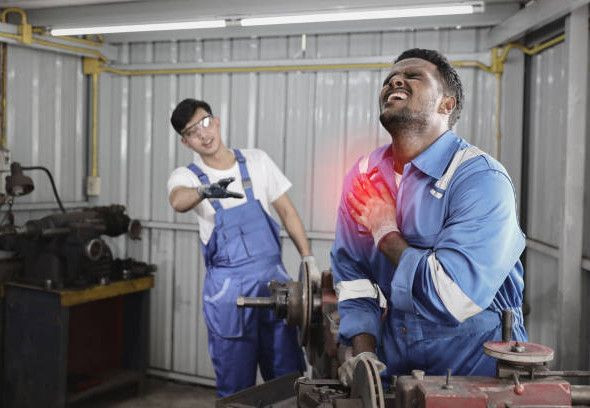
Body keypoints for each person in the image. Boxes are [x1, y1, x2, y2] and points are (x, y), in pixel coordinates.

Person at [331, 48, 528, 385]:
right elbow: (353, 277)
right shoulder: (364, 176)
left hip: (477, 366)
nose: (395, 80)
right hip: (398, 364)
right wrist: (364, 351)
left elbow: (452, 295)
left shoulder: (480, 179)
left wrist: (385, 232)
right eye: (390, 78)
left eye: (414, 76)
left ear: (446, 105)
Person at [167, 98, 314, 397]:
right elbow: (177, 200)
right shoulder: (188, 177)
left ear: (216, 121)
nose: (204, 134)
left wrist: (308, 258)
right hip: (229, 297)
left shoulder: (257, 161)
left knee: (287, 381)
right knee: (236, 388)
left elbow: (287, 212)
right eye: (193, 132)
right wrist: (204, 191)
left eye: (205, 122)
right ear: (186, 142)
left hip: (276, 287)